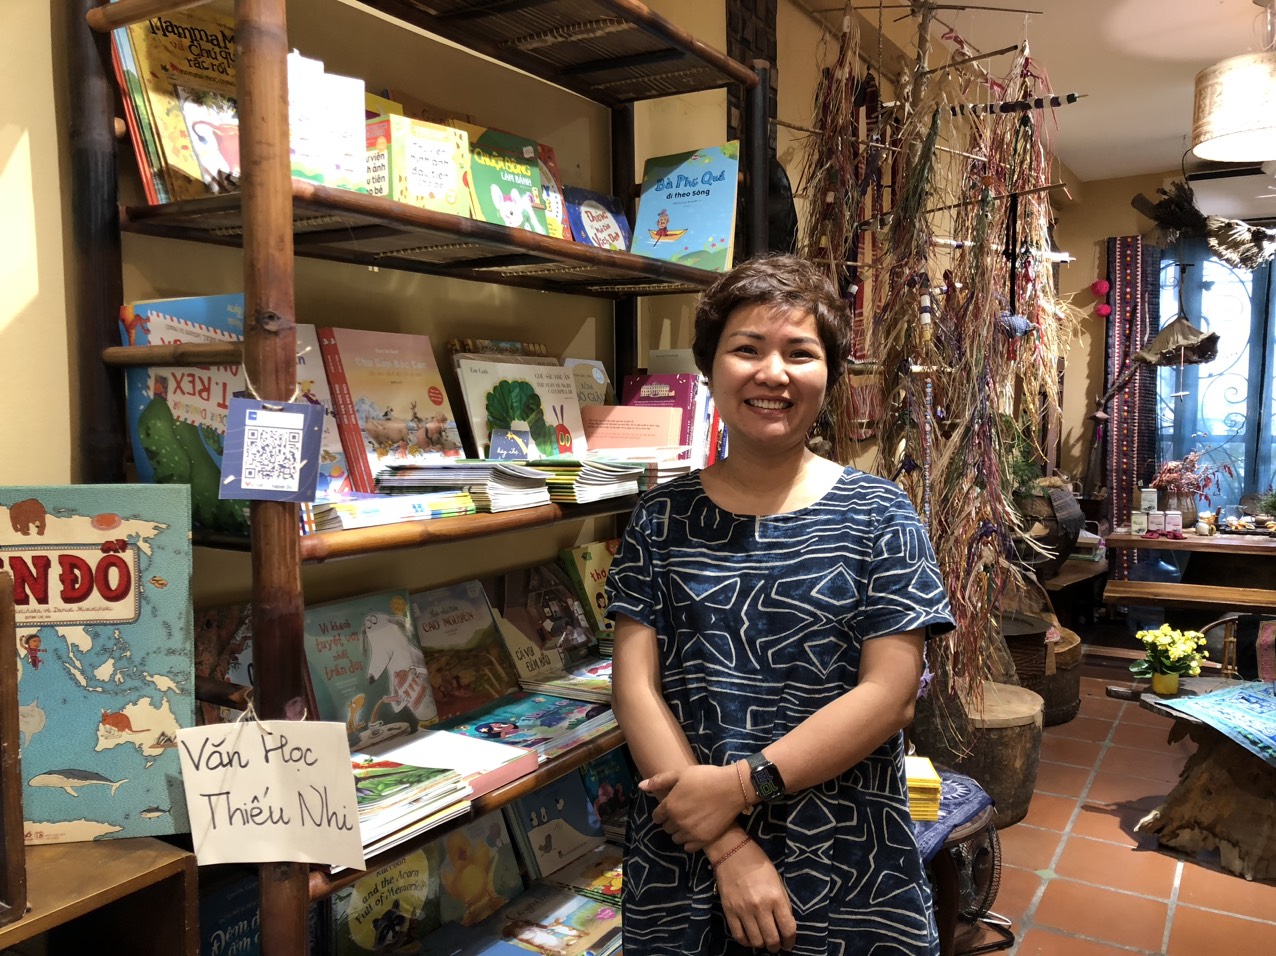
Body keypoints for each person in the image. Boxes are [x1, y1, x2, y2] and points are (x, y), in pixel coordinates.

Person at [607, 254, 954, 956]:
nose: (773, 374)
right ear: (709, 369)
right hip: (688, 852)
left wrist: (741, 787)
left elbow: (890, 697)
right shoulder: (660, 516)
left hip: (848, 854)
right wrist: (727, 845)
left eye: (800, 353)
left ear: (829, 374)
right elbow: (634, 686)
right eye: (747, 349)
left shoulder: (880, 513)